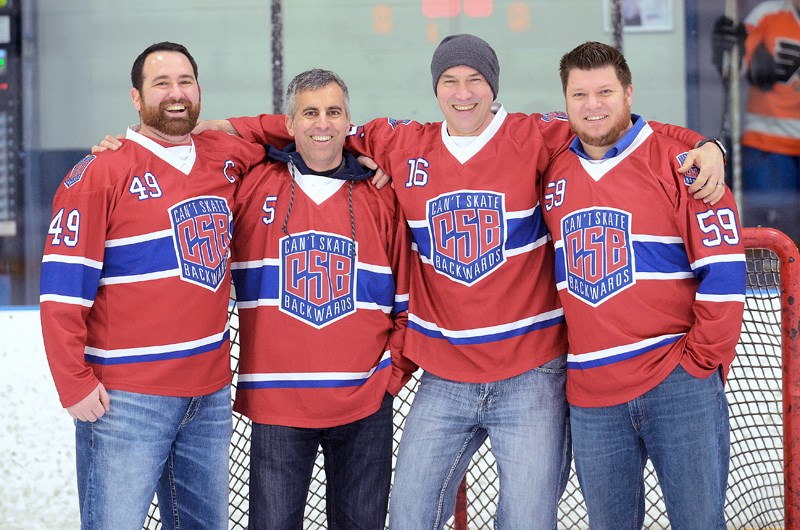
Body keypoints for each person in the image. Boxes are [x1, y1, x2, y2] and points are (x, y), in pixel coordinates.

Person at [200, 34, 726, 529]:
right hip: (445, 375)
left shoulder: (538, 134)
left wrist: (703, 144)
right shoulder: (403, 144)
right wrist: (230, 125)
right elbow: (321, 128)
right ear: (435, 89)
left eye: (475, 79)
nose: (463, 92)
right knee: (407, 514)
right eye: (449, 80)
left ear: (493, 87)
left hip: (532, 374)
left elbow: (616, 124)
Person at [39, 42, 265, 529]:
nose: (176, 93)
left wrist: (228, 126)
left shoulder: (224, 156)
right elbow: (61, 292)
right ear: (136, 99)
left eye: (185, 81)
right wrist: (73, 383)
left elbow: (301, 132)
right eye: (161, 84)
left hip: (208, 395)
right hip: (126, 400)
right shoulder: (100, 172)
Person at [541, 41, 746, 529]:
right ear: (564, 102)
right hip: (592, 396)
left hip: (676, 383)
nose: (593, 105)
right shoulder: (551, 169)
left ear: (629, 93)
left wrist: (700, 362)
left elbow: (723, 270)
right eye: (580, 94)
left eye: (606, 91)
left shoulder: (683, 163)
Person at [230, 69, 415, 529]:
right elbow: (194, 138)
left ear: (349, 121)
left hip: (364, 404)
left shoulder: (381, 197)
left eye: (334, 112)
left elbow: (408, 300)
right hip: (278, 405)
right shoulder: (253, 184)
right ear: (288, 123)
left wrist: (389, 376)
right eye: (309, 113)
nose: (322, 124)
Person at [712, 1, 800, 232]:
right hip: (768, 140)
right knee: (773, 227)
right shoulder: (768, 15)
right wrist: (726, 50)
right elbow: (733, 68)